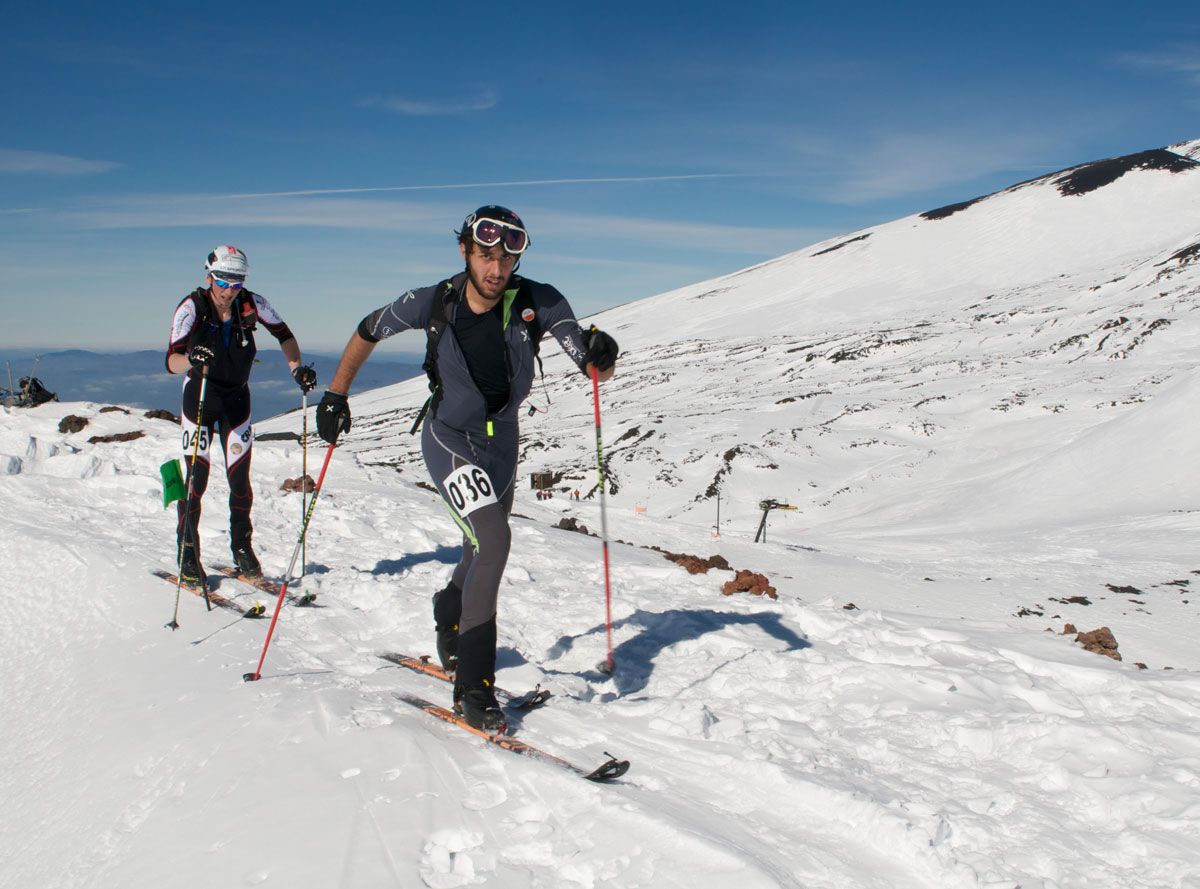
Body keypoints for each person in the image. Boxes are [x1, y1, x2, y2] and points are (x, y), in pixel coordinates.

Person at [315, 206, 618, 731]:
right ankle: (474, 687)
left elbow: (593, 366)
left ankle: (448, 609)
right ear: (465, 251)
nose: (496, 269)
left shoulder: (539, 301)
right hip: (449, 437)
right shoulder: (433, 301)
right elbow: (367, 329)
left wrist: (603, 353)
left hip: (503, 444)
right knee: (495, 540)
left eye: (506, 258)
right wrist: (336, 394)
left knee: (479, 545)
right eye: (486, 256)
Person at [166, 245, 317, 586]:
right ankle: (187, 550)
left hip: (237, 400)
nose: (229, 290)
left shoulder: (252, 303)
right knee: (196, 481)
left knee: (240, 482)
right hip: (200, 398)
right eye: (223, 281)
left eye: (236, 282)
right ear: (209, 277)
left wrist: (296, 370)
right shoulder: (192, 308)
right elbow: (171, 362)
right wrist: (192, 359)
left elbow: (285, 335)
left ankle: (242, 547)